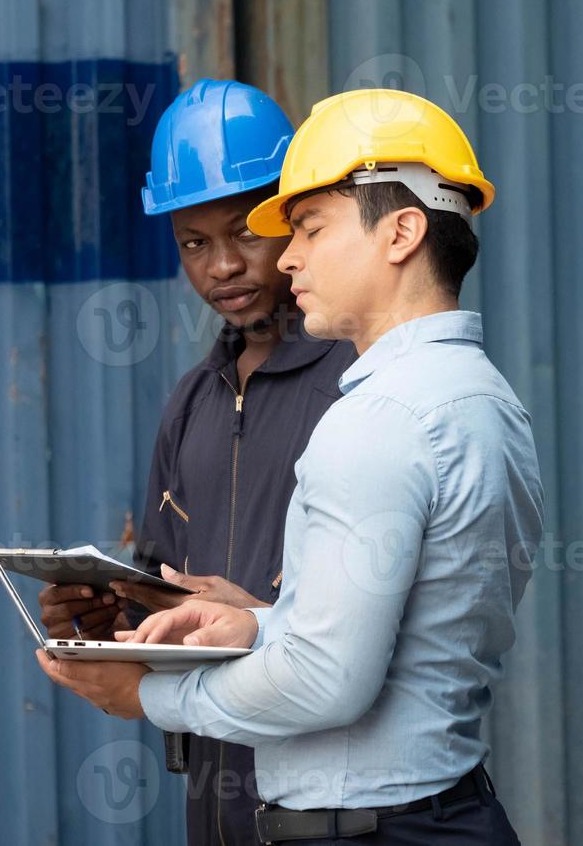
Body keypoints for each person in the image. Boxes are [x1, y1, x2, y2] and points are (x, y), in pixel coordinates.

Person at [37, 88, 544, 845]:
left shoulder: (373, 418)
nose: (289, 253)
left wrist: (143, 697)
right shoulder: (478, 394)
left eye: (305, 226)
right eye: (194, 241)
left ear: (402, 231)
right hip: (427, 811)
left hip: (371, 823)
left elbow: (325, 680)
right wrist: (254, 623)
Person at [35, 78, 356, 845]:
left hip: (334, 798)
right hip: (215, 795)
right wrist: (106, 615)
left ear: (296, 224)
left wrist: (257, 618)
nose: (220, 266)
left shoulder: (356, 386)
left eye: (245, 232)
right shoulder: (190, 402)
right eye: (193, 242)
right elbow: (162, 588)